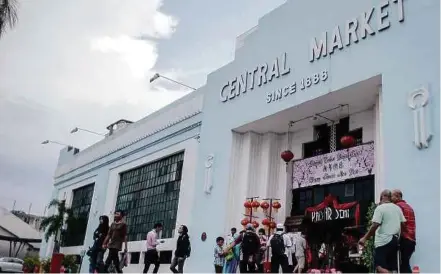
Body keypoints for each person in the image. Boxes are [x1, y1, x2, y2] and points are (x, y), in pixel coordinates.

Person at [359, 190, 406, 273]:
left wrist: (365, 238)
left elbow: (375, 225)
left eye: (380, 198)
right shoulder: (397, 208)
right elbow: (403, 225)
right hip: (394, 240)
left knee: (379, 267)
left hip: (383, 241)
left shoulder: (380, 208)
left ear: (383, 196)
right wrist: (399, 237)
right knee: (392, 267)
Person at [392, 189, 416, 273]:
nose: (391, 198)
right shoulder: (409, 207)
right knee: (405, 264)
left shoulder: (398, 207)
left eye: (392, 196)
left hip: (404, 239)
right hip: (411, 240)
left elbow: (397, 223)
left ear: (398, 197)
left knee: (401, 266)